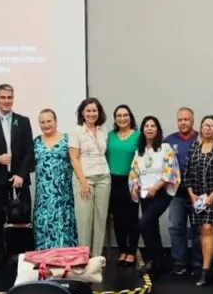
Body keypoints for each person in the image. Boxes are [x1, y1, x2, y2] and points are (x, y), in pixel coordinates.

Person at [0, 84, 34, 265]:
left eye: (9, 97)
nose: (6, 101)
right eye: (3, 97)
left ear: (13, 98)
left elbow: (29, 152)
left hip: (19, 179)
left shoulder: (23, 121)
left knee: (22, 219)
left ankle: (21, 254)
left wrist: (21, 175)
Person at [183, 115, 213, 286]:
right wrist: (191, 193)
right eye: (205, 125)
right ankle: (207, 265)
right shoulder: (194, 147)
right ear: (201, 128)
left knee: (207, 228)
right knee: (201, 231)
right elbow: (186, 173)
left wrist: (212, 197)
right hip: (196, 198)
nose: (208, 128)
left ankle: (205, 270)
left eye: (212, 126)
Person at [129, 116, 180, 274]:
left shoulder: (165, 148)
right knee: (152, 228)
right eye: (146, 126)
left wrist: (156, 187)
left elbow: (171, 170)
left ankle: (152, 259)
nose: (150, 128)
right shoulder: (140, 152)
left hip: (161, 194)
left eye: (153, 126)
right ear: (142, 130)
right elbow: (134, 172)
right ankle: (160, 265)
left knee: (143, 224)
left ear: (157, 129)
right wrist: (135, 186)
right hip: (145, 194)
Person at [69, 98, 111, 258]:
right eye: (88, 111)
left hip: (104, 177)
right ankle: (83, 258)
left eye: (94, 110)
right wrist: (83, 182)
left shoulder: (103, 129)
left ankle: (97, 257)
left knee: (101, 219)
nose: (91, 114)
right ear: (82, 113)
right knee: (84, 220)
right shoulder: (76, 130)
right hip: (84, 179)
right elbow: (74, 158)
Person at [32, 109, 77, 250]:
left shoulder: (67, 140)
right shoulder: (36, 142)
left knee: (64, 223)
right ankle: (44, 257)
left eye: (49, 121)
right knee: (43, 223)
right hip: (43, 195)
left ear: (56, 121)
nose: (46, 125)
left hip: (63, 193)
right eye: (42, 122)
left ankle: (66, 258)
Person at [165, 107, 201, 277]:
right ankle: (179, 262)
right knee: (175, 227)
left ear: (192, 121)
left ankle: (197, 263)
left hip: (198, 193)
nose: (183, 122)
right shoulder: (168, 141)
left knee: (198, 229)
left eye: (186, 119)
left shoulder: (202, 138)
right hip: (176, 193)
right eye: (180, 120)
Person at [107, 105, 140, 266]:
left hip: (132, 181)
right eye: (118, 115)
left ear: (130, 117)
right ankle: (122, 250)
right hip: (113, 181)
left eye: (125, 115)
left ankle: (132, 251)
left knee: (132, 218)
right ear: (115, 119)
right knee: (118, 219)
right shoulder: (109, 136)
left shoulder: (138, 136)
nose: (122, 118)